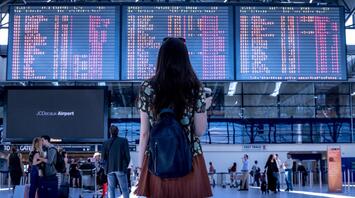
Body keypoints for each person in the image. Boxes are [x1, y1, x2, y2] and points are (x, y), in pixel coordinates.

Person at [134, 37, 213, 197]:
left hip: (157, 159)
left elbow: (144, 133)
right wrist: (204, 107)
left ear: (161, 59)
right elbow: (199, 130)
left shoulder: (147, 87)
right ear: (185, 59)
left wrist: (141, 167)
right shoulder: (195, 87)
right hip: (189, 158)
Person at [102, 125, 130, 198]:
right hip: (120, 168)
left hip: (110, 169)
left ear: (110, 132)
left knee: (111, 189)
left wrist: (106, 168)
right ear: (118, 131)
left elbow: (103, 158)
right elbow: (128, 156)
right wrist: (125, 167)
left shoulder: (105, 143)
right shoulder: (124, 141)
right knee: (124, 189)